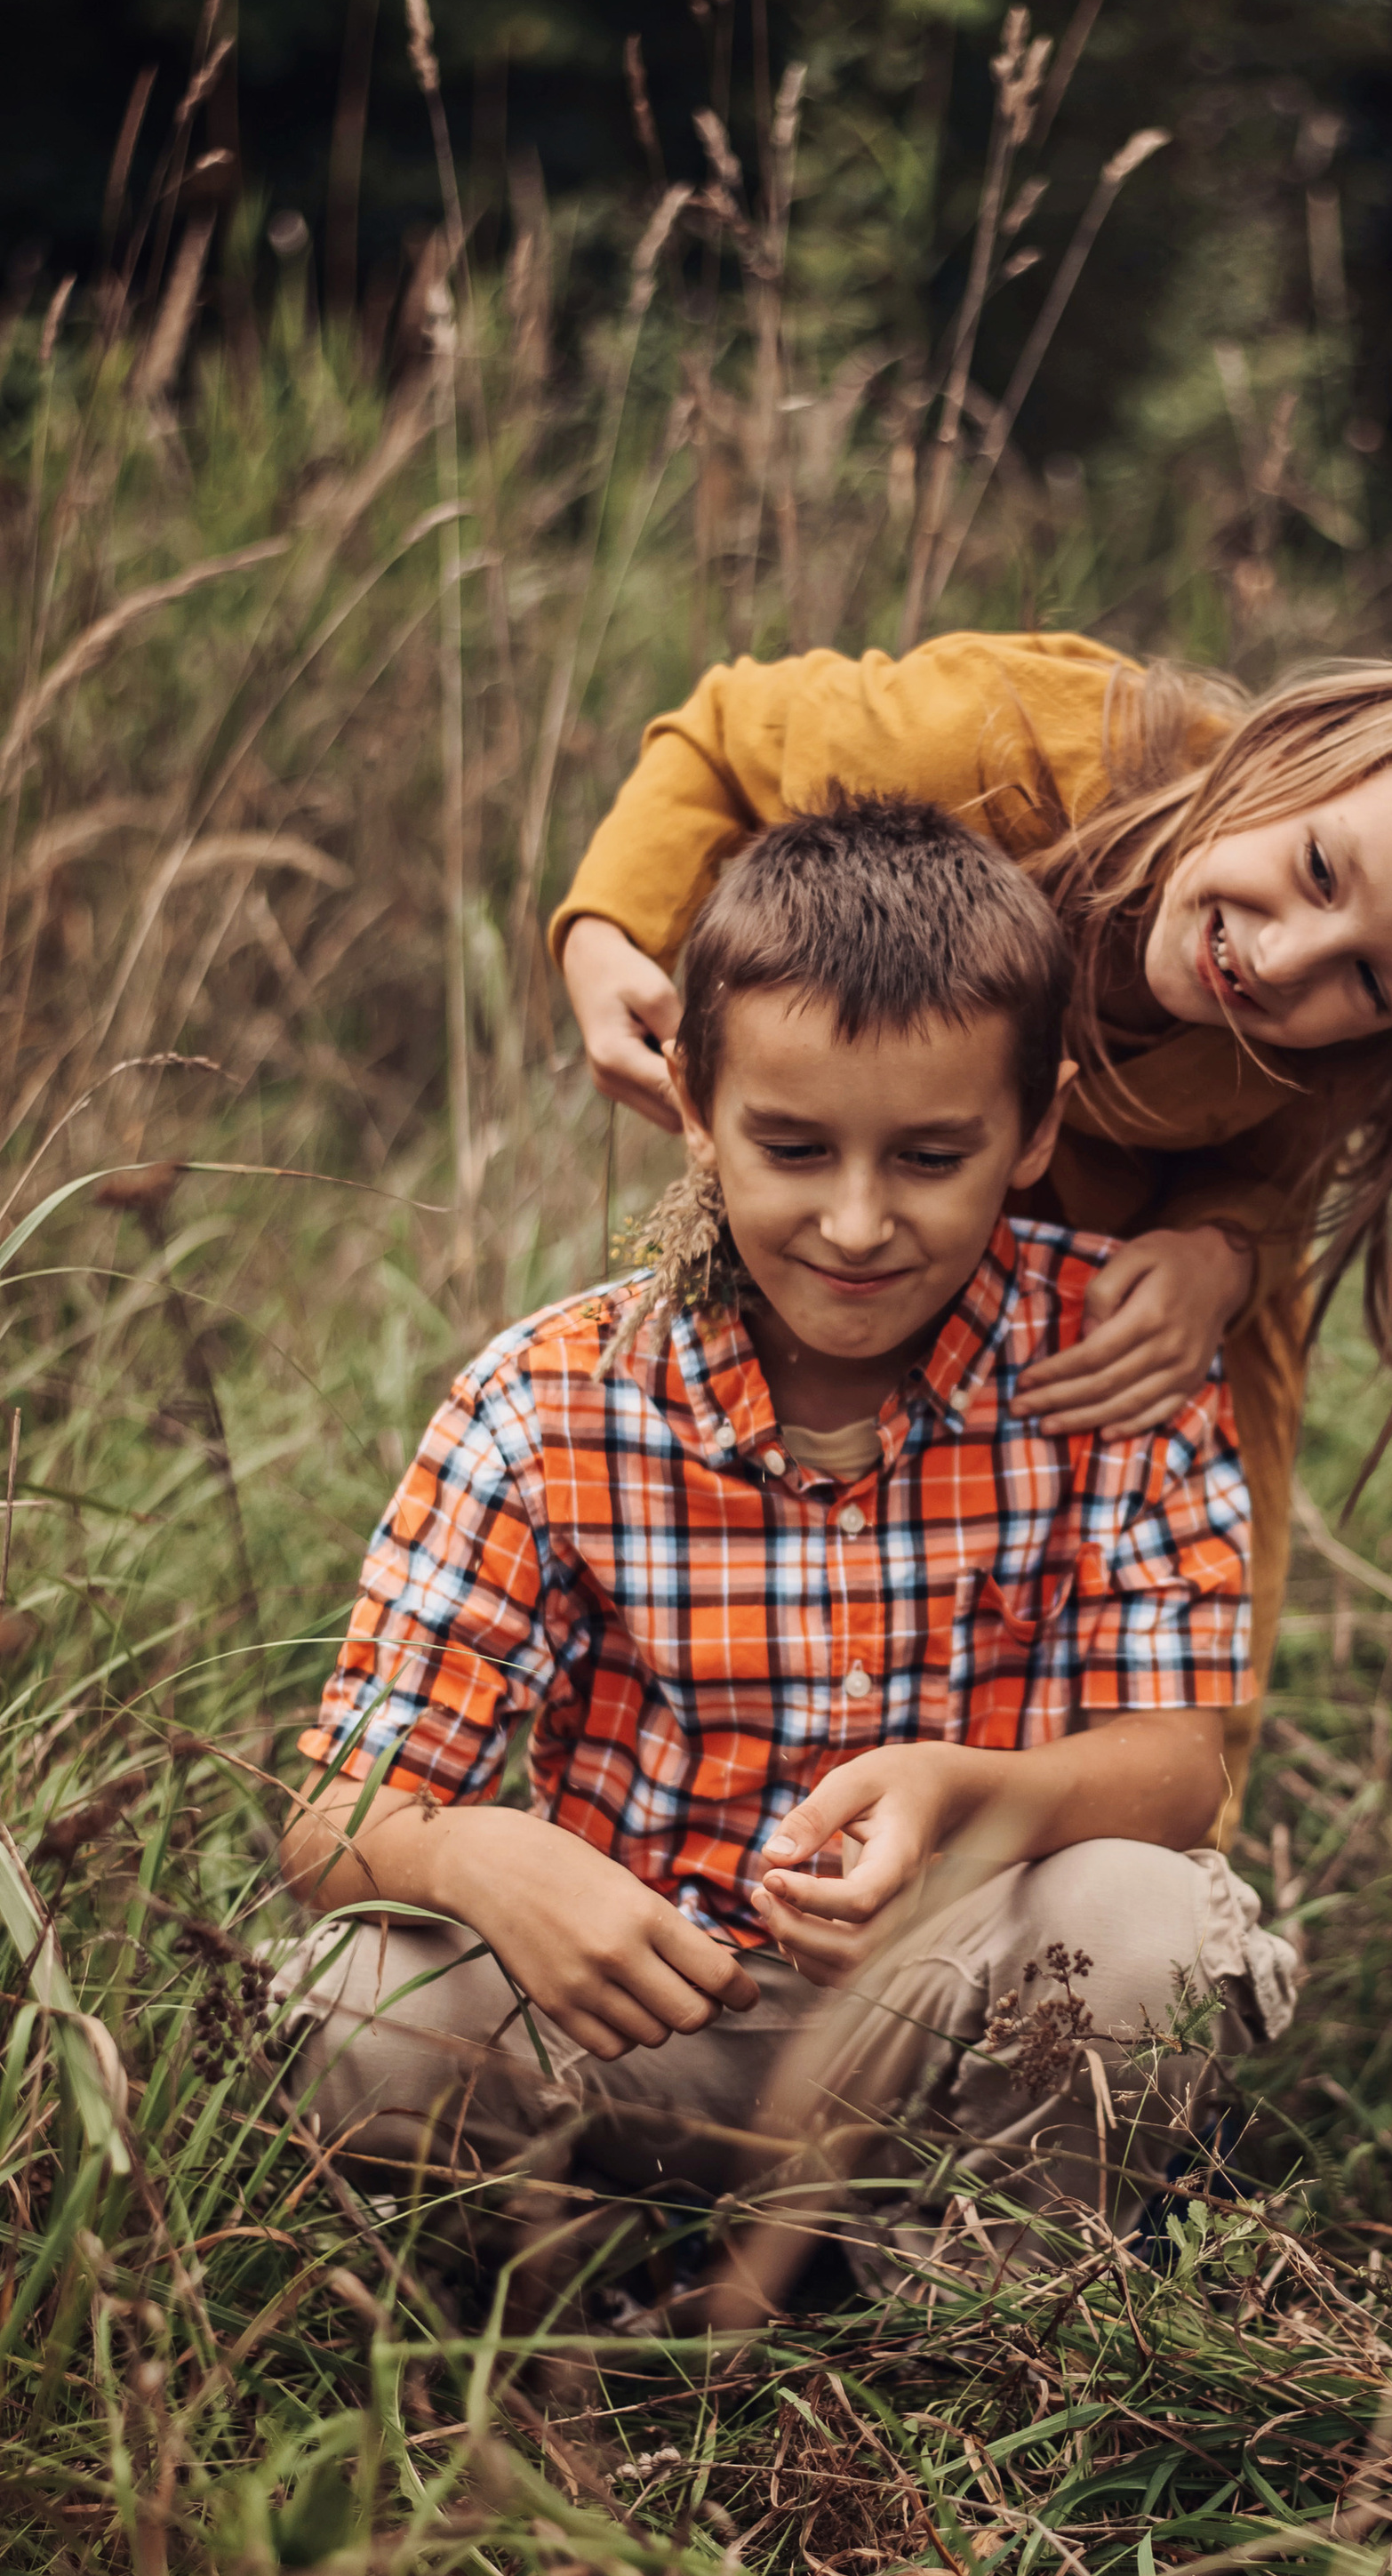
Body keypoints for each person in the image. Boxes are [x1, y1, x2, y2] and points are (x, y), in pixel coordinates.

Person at [282, 793, 1294, 2304]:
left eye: (932, 1154)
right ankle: (577, 2294)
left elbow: (1181, 1770)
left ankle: (986, 2311)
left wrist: (970, 1790)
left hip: (945, 2024)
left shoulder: (1107, 1363)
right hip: (641, 2028)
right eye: (795, 1145)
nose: (858, 1219)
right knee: (357, 1999)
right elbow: (330, 1816)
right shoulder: (551, 1404)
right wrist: (474, 1849)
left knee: (1142, 1922)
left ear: (1034, 1128)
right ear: (695, 1100)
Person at [553, 633, 1392, 1835]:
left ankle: (1134, 1927)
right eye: (1321, 869)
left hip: (1144, 1268)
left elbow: (1282, 1152)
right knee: (813, 1523)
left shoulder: (1368, 1037)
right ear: (1291, 752)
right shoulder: (1007, 739)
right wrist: (604, 930)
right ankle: (745, 1842)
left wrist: (1224, 1249)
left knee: (1178, 1627)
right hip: (879, 1179)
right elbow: (720, 731)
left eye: (1374, 984)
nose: (1283, 958)